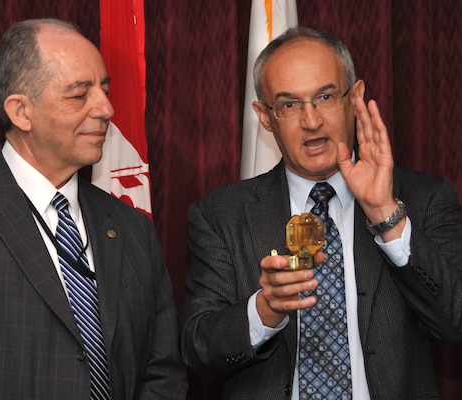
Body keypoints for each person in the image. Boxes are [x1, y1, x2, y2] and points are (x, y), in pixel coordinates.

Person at [178, 26, 462, 399]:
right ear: (265, 116)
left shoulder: (424, 197)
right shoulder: (220, 215)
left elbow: (454, 322)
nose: (311, 121)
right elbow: (198, 349)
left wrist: (385, 214)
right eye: (289, 105)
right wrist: (264, 310)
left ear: (355, 97)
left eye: (325, 96)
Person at [0, 18, 187, 400]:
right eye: (80, 95)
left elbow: (163, 372)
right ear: (21, 112)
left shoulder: (132, 226)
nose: (107, 108)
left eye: (104, 89)